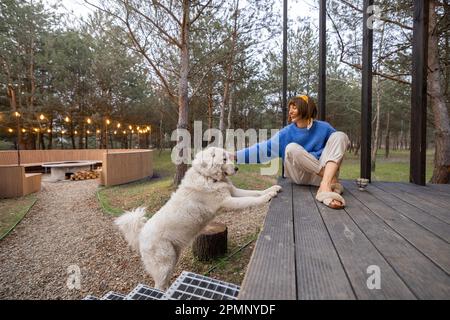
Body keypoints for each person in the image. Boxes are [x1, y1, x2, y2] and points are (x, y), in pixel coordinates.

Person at [233, 95, 350, 209]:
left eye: (294, 107)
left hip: (318, 178)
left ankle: (325, 186)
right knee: (291, 148)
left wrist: (316, 156)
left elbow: (341, 145)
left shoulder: (324, 128)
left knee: (340, 135)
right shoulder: (286, 133)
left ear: (306, 107)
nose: (290, 111)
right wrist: (235, 156)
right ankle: (330, 182)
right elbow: (263, 150)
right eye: (289, 108)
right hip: (300, 176)